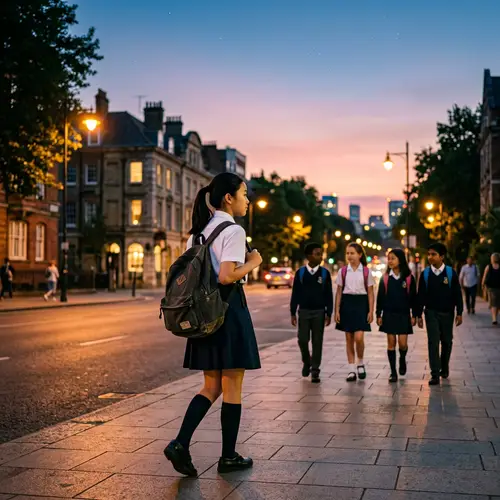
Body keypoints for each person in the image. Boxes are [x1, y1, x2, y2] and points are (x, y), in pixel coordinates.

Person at [164, 173, 262, 477]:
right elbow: (226, 275)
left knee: (210, 385)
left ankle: (180, 443)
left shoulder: (199, 231)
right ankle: (228, 456)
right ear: (228, 198)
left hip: (204, 315)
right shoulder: (233, 230)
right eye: (244, 194)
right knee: (232, 385)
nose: (248, 200)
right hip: (228, 310)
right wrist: (254, 262)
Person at [415, 243, 463, 386]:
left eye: (433, 254)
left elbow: (457, 294)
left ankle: (444, 366)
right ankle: (435, 373)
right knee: (433, 342)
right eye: (429, 254)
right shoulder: (425, 274)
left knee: (447, 341)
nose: (430, 257)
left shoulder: (450, 273)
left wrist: (459, 313)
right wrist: (418, 315)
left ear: (442, 256)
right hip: (431, 313)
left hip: (448, 313)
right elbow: (420, 296)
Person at [290, 242, 333, 384]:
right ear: (309, 256)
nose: (320, 256)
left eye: (321, 254)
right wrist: (292, 312)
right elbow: (295, 293)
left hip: (319, 312)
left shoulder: (325, 274)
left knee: (317, 341)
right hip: (303, 311)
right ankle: (306, 361)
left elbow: (329, 295)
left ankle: (315, 370)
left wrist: (329, 313)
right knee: (302, 340)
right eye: (317, 253)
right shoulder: (301, 273)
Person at [335, 242, 375, 382]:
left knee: (359, 337)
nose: (349, 256)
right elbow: (339, 292)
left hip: (361, 304)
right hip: (347, 304)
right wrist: (337, 311)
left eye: (352, 253)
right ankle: (351, 369)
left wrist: (371, 311)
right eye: (347, 253)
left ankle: (361, 362)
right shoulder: (343, 271)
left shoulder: (366, 271)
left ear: (359, 255)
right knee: (349, 338)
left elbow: (370, 292)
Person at [376, 249, 417, 382]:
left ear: (400, 259)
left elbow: (413, 298)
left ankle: (402, 358)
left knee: (403, 344)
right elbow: (380, 297)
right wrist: (378, 314)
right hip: (389, 314)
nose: (390, 261)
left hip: (404, 314)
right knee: (391, 342)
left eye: (393, 258)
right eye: (389, 259)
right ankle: (393, 372)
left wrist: (414, 315)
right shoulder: (386, 278)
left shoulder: (409, 278)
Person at [482, 252, 500, 325]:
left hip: (491, 288)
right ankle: (494, 318)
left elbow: (484, 276)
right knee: (497, 304)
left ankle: (494, 318)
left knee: (494, 303)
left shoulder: (489, 266)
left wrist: (482, 284)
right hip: (496, 287)